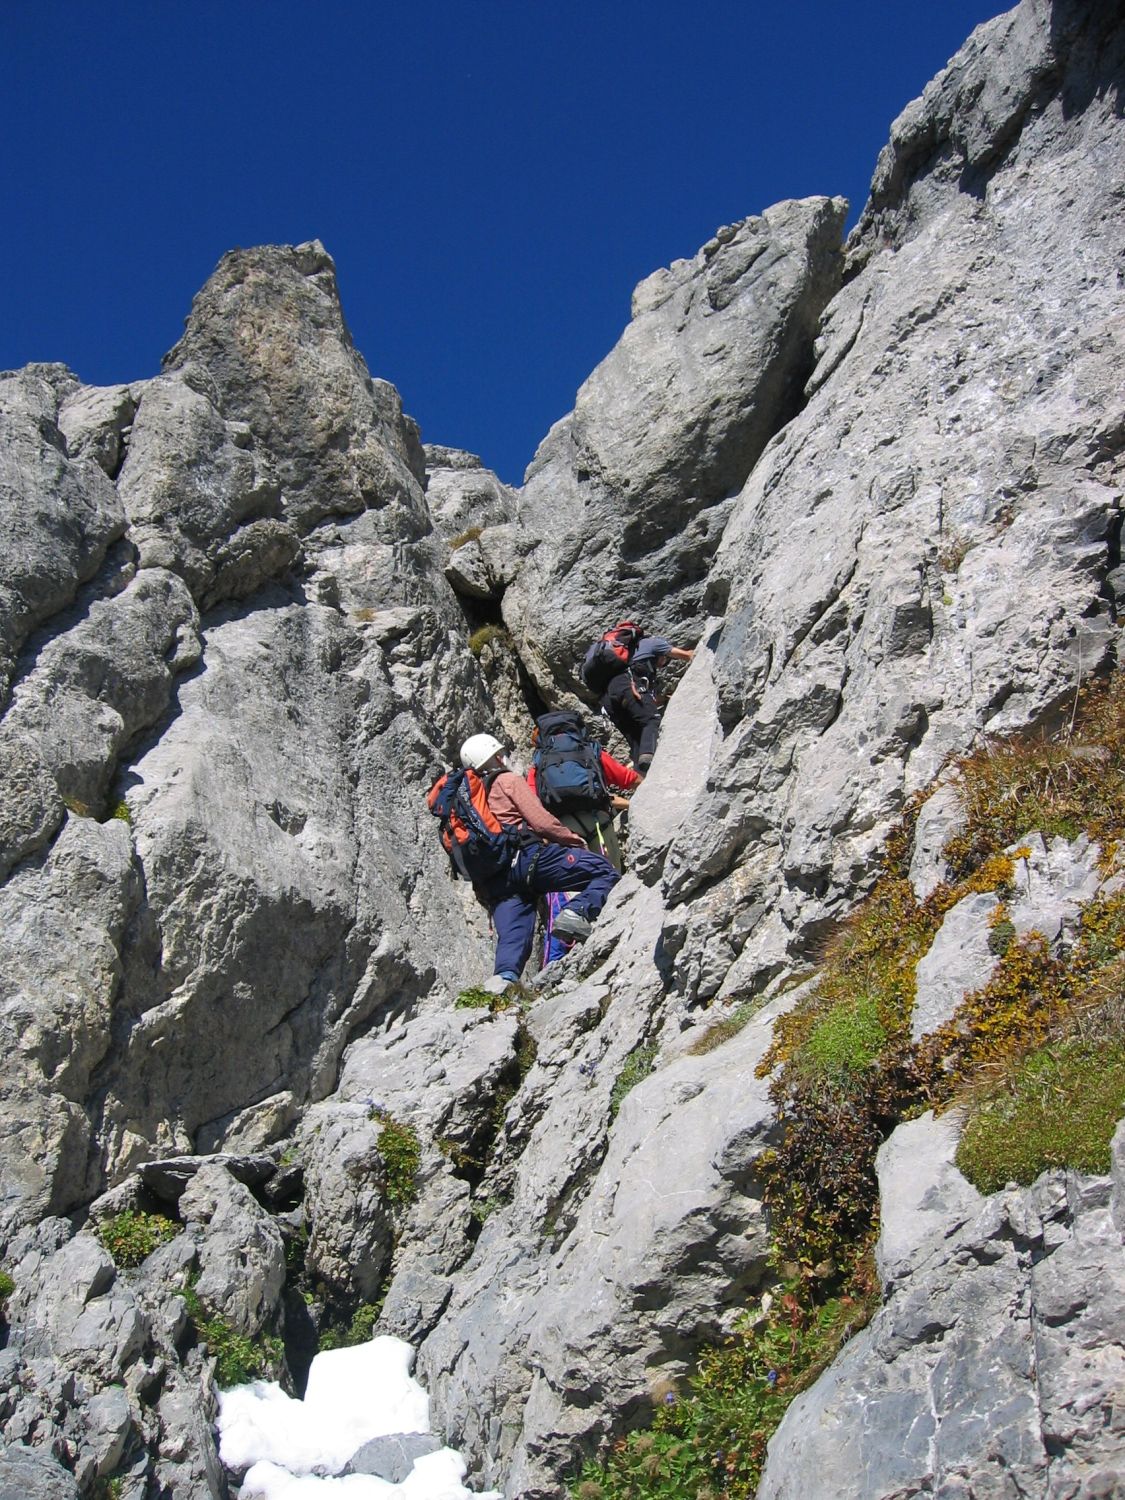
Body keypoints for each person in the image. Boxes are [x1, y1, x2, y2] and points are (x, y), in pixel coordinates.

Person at [458, 733, 620, 989]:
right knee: (603, 870)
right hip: (528, 859)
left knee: (512, 939)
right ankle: (576, 912)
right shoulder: (507, 781)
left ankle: (502, 987)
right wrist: (573, 841)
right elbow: (541, 821)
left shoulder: (466, 801)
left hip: (497, 881)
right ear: (496, 756)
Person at [527, 732, 640, 872]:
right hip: (599, 825)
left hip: (565, 834)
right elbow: (628, 779)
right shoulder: (589, 752)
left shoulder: (538, 767)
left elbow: (533, 809)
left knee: (583, 881)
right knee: (613, 876)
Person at [602, 636, 694, 773]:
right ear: (662, 654)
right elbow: (686, 655)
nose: (662, 665)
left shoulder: (632, 659)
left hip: (610, 699)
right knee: (652, 720)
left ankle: (641, 773)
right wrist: (693, 653)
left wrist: (666, 699)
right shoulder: (655, 643)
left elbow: (647, 702)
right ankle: (647, 761)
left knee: (637, 737)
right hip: (628, 685)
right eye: (665, 661)